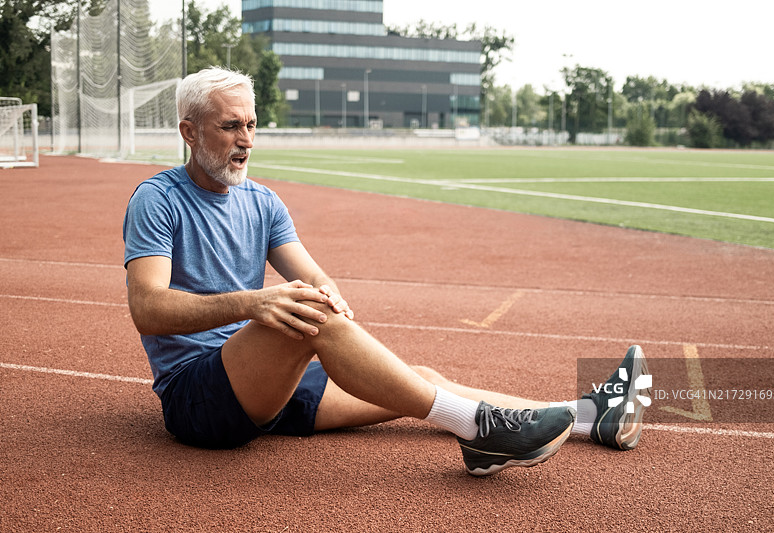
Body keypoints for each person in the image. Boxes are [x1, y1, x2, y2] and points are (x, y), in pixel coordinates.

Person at [123, 67, 651, 476]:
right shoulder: (158, 200)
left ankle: (590, 416)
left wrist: (333, 300)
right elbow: (148, 309)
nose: (246, 140)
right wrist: (254, 302)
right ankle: (476, 430)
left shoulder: (263, 202)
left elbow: (313, 276)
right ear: (189, 132)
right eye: (230, 126)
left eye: (252, 125)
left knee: (420, 378)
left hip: (268, 383)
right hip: (199, 398)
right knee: (305, 311)